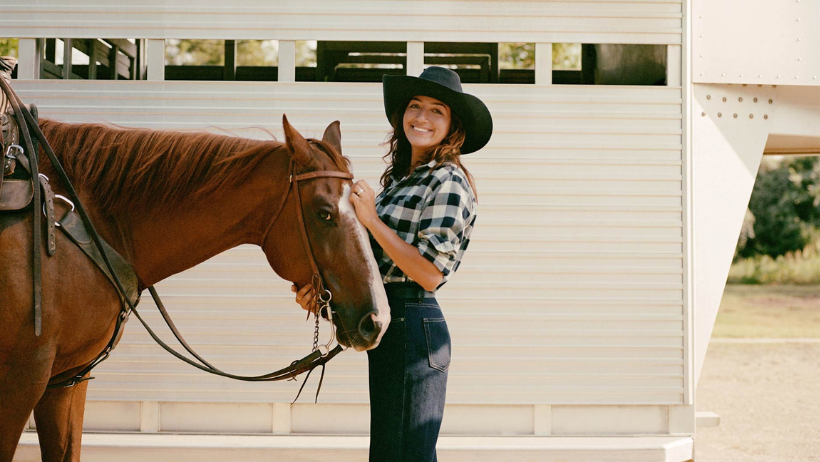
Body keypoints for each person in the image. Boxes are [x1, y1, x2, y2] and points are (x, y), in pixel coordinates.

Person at [292, 66, 492, 462]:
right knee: (392, 452)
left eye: (437, 110)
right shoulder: (402, 182)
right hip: (394, 321)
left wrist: (371, 220)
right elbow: (375, 269)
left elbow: (429, 274)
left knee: (406, 454)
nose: (422, 117)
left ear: (453, 126)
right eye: (415, 106)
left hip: (415, 324)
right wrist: (324, 299)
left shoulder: (447, 180)